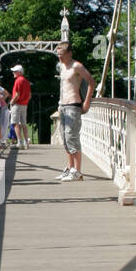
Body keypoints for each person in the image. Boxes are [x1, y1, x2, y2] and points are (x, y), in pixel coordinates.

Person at [55, 40, 94, 182]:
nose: (60, 57)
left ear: (69, 53)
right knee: (65, 139)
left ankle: (77, 171)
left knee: (72, 137)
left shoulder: (77, 66)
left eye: (62, 54)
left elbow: (91, 82)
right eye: (58, 54)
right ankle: (70, 168)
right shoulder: (63, 67)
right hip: (63, 106)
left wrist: (87, 102)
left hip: (73, 106)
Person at [10, 64, 31, 148]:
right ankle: (26, 142)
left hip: (17, 104)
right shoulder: (26, 81)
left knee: (15, 123)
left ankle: (20, 142)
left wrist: (12, 102)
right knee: (24, 124)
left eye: (15, 71)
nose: (13, 73)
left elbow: (17, 94)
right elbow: (29, 95)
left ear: (19, 72)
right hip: (24, 105)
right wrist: (25, 101)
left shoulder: (18, 80)